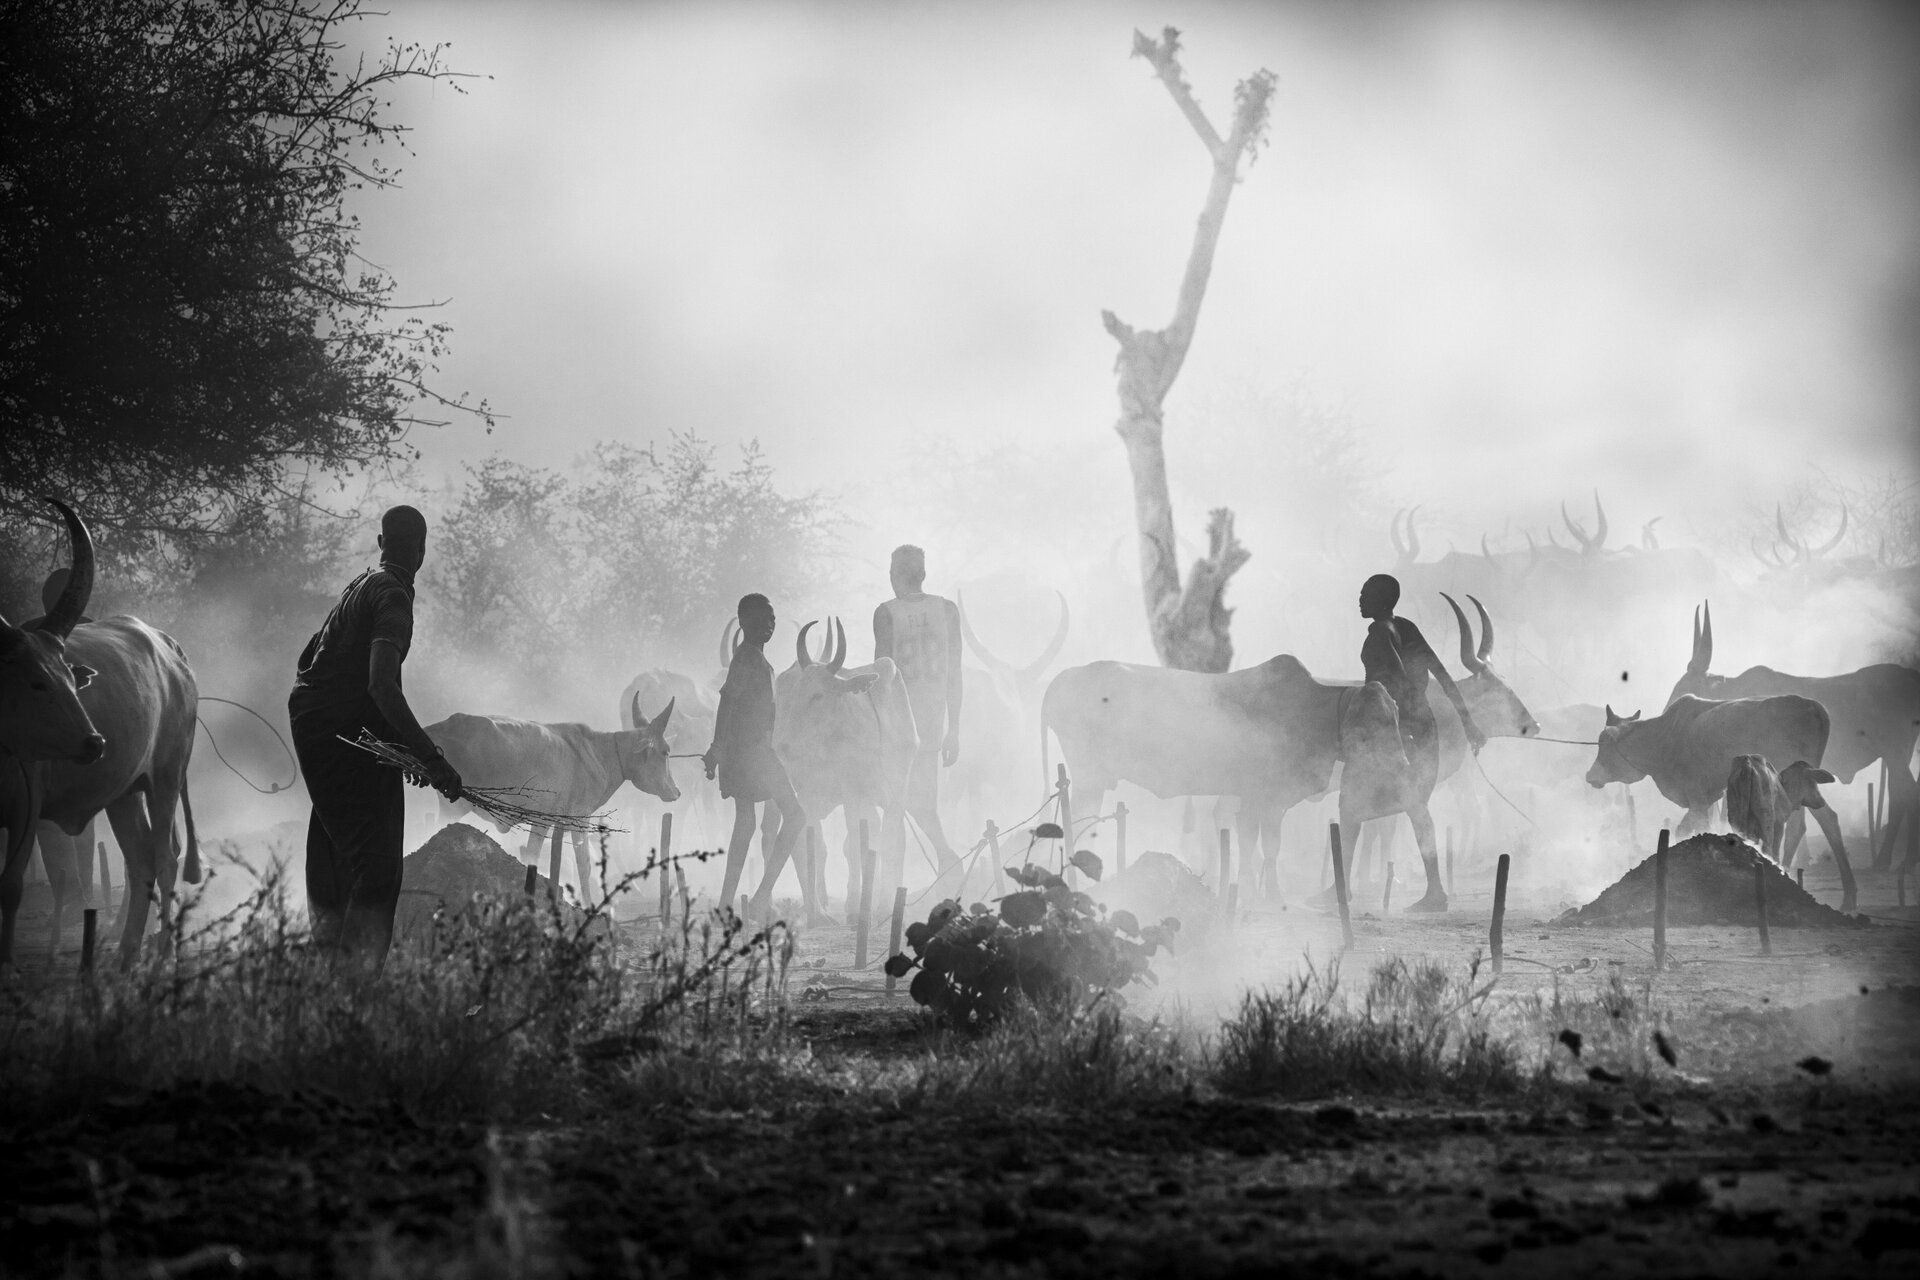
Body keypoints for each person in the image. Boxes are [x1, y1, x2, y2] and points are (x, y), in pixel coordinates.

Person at [288, 506, 461, 963]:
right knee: (378, 867)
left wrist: (400, 749)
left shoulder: (361, 585)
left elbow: (326, 669)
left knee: (334, 843)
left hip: (318, 728)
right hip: (342, 734)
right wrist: (431, 757)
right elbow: (380, 684)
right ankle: (354, 986)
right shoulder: (393, 598)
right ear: (422, 552)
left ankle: (326, 962)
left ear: (381, 543)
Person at [1357, 572, 1485, 912]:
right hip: (1422, 725)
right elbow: (1441, 675)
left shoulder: (1380, 634)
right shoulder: (1407, 628)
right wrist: (1468, 723)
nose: (1359, 599)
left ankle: (1433, 891)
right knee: (1415, 809)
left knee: (1357, 800)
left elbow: (1397, 682)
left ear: (1381, 601)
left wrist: (1390, 722)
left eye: (1365, 594)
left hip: (1398, 727)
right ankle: (1434, 890)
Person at [703, 593, 812, 919]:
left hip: (746, 752)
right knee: (795, 815)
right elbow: (727, 701)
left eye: (772, 619)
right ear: (744, 623)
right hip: (752, 753)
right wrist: (717, 746)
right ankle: (762, 896)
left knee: (746, 822)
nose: (769, 624)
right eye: (761, 618)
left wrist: (721, 747)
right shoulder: (749, 658)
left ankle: (727, 903)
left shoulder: (751, 657)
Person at [872, 545, 963, 900]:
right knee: (921, 803)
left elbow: (883, 675)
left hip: (898, 725)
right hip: (932, 723)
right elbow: (955, 673)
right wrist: (953, 727)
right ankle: (944, 860)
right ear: (923, 574)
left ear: (894, 575)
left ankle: (892, 890)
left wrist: (877, 728)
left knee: (897, 807)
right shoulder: (947, 610)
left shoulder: (885, 613)